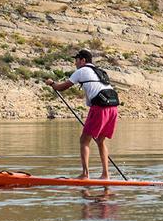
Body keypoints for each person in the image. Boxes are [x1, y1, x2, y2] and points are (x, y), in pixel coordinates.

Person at [45, 48, 119, 179]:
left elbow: (62, 87)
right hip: (113, 108)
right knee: (101, 141)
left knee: (84, 141)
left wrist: (52, 83)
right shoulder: (100, 71)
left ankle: (85, 174)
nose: (75, 63)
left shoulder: (82, 71)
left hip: (100, 108)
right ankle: (105, 175)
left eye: (76, 60)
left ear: (83, 60)